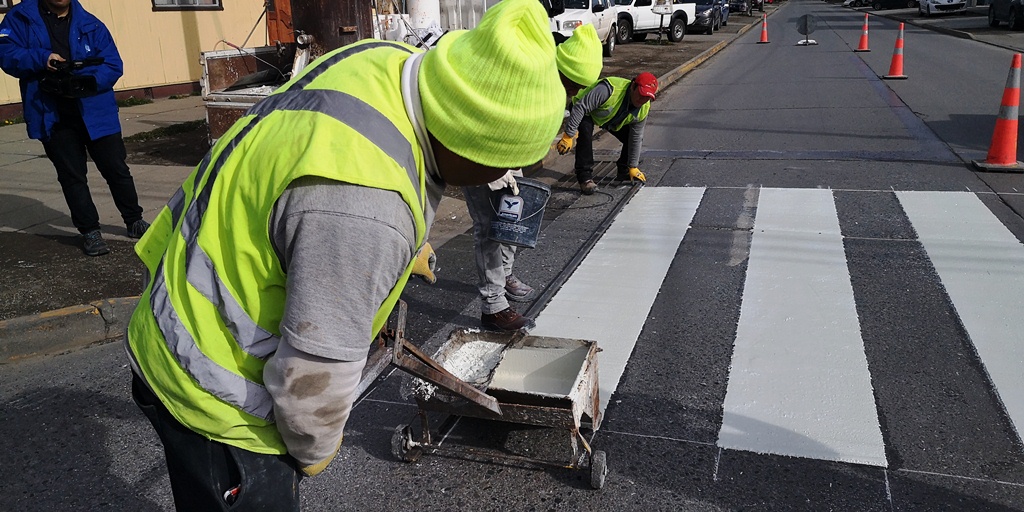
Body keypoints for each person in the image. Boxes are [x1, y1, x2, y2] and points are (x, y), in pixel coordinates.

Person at [124, 0, 565, 509]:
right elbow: (311, 385)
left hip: (177, 302)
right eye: (501, 164)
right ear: (467, 141)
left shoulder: (383, 62)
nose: (501, 177)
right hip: (212, 384)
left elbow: (313, 184)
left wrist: (406, 245)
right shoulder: (365, 210)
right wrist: (313, 454)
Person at [462, 24, 604, 332]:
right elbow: (487, 116)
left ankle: (504, 276)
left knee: (511, 218)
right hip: (477, 148)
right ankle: (493, 307)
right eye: (573, 85)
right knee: (489, 228)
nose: (574, 93)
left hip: (507, 154)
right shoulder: (521, 75)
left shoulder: (548, 84)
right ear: (561, 70)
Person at [0, 0, 148, 256]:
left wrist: (87, 82)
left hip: (96, 111)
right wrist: (42, 58)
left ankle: (134, 220)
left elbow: (113, 64)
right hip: (52, 114)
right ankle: (90, 231)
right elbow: (5, 53)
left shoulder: (91, 23)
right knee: (72, 176)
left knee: (116, 169)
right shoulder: (20, 18)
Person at [557, 71, 659, 195]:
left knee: (630, 137)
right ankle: (585, 178)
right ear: (633, 86)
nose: (642, 100)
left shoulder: (643, 108)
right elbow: (580, 107)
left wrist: (633, 165)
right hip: (583, 109)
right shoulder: (609, 90)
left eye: (647, 97)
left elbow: (636, 137)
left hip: (609, 118)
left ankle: (624, 170)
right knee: (585, 133)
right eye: (641, 94)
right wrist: (568, 135)